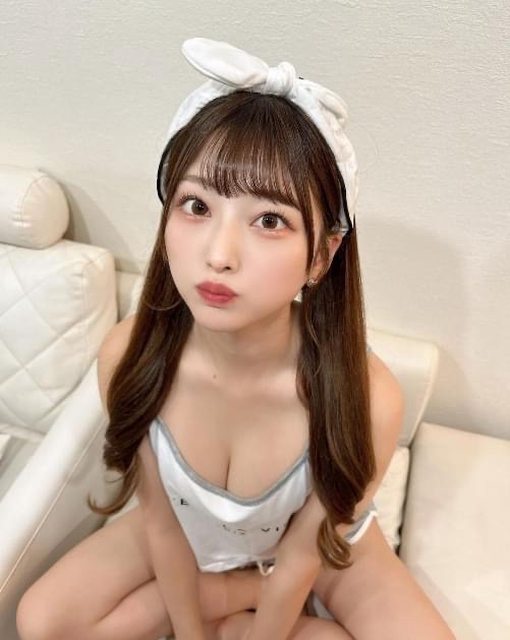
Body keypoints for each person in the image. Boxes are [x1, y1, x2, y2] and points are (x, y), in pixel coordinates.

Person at [16, 38, 455, 640]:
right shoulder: (129, 357)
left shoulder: (366, 395)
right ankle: (234, 596)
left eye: (269, 220)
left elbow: (304, 553)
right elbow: (162, 524)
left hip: (321, 551)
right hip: (191, 531)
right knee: (41, 621)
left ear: (322, 256)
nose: (219, 254)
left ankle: (240, 602)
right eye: (196, 206)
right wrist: (194, 632)